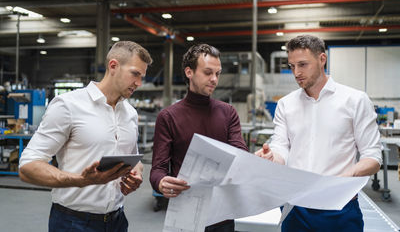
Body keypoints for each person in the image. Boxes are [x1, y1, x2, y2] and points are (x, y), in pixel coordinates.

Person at [19, 41, 153, 232]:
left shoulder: (130, 113)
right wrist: (81, 180)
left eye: (142, 77)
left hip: (117, 220)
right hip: (73, 222)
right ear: (113, 66)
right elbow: (27, 167)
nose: (139, 83)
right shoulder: (69, 105)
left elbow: (133, 157)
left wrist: (135, 173)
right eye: (135, 74)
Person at [255, 34, 382, 232]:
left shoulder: (355, 100)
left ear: (322, 59)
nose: (296, 72)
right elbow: (281, 147)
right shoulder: (285, 105)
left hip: (339, 207)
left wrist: (345, 176)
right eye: (292, 66)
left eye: (303, 64)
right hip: (295, 207)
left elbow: (373, 157)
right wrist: (272, 158)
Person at [150, 43, 248, 232]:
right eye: (208, 72)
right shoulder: (169, 117)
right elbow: (158, 169)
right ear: (189, 72)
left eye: (217, 74)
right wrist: (162, 182)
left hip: (222, 213)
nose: (214, 79)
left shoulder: (228, 113)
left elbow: (240, 155)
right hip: (186, 213)